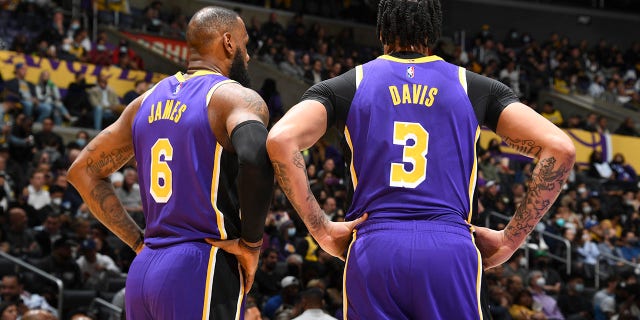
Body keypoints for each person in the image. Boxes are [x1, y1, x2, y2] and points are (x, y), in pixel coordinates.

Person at [265, 0, 576, 318]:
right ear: (434, 30)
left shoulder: (348, 84)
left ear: (382, 29)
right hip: (449, 246)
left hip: (375, 246)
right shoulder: (473, 86)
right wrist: (512, 238)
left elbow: (280, 140)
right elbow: (560, 150)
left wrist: (321, 231)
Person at [67, 6, 274, 319]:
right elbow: (258, 157)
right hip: (199, 263)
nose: (247, 57)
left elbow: (82, 170)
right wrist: (252, 244)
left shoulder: (145, 101)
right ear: (229, 42)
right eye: (246, 45)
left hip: (144, 269)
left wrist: (137, 241)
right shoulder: (234, 97)